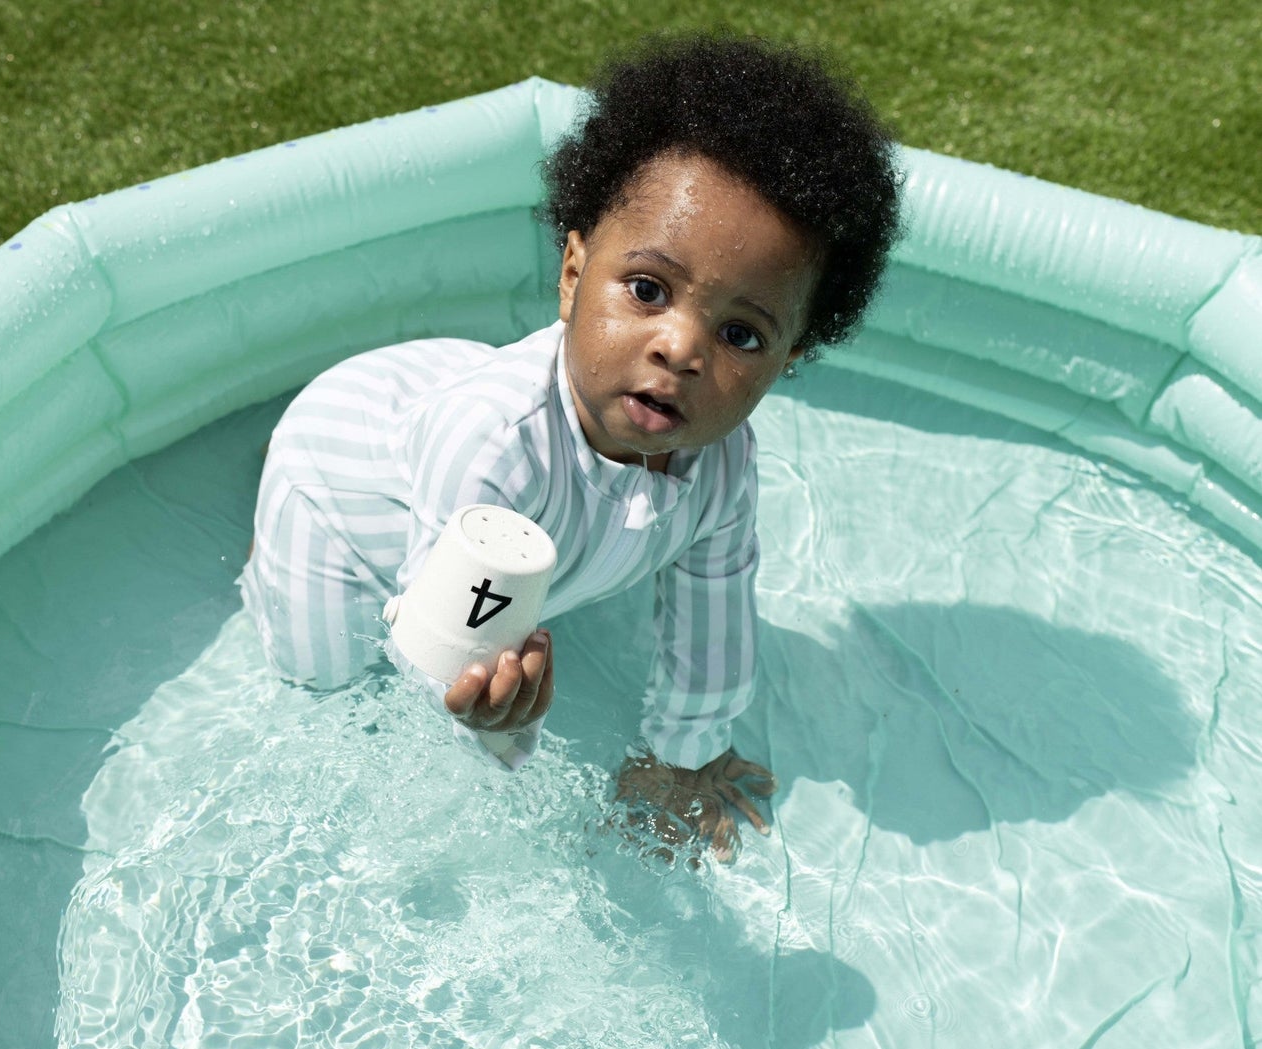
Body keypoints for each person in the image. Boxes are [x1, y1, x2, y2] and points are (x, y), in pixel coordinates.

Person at [241, 33, 902, 860]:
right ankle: (270, 526)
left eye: (740, 334)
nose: (680, 350)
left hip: (429, 417)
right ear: (570, 274)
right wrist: (490, 716)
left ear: (786, 362)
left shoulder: (723, 461)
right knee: (323, 677)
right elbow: (433, 656)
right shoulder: (495, 449)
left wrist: (682, 758)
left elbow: (715, 615)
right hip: (338, 498)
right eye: (647, 289)